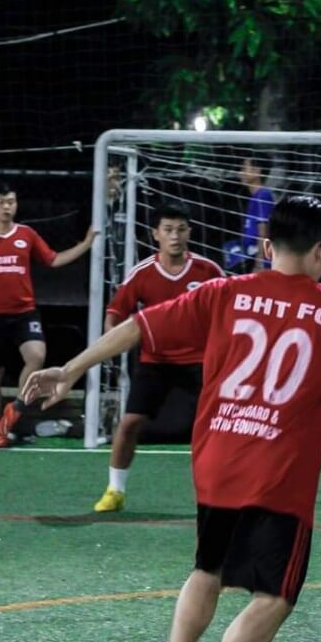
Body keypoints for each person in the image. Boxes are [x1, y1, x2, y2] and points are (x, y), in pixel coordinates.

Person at [22, 196, 321, 642]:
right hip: (277, 474)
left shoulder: (224, 292)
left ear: (266, 247)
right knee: (275, 596)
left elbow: (139, 327)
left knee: (208, 569)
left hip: (217, 461)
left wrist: (70, 368)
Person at [94, 201, 224, 512]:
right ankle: (115, 490)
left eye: (181, 229)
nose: (175, 236)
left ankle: (225, 491)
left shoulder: (208, 271)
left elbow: (231, 311)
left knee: (221, 427)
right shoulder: (142, 274)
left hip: (201, 362)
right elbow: (114, 317)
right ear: (156, 234)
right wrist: (115, 345)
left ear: (189, 232)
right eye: (168, 230)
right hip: (156, 362)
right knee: (129, 423)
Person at [0, 181, 97, 448]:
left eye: (11, 202)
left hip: (24, 312)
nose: (7, 207)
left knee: (36, 356)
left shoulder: (26, 234)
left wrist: (86, 243)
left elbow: (53, 259)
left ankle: (14, 413)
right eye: (2, 202)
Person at [240, 157, 275, 272]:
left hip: (260, 259)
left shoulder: (263, 195)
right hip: (251, 256)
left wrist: (259, 262)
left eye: (244, 168)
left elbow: (263, 231)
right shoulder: (254, 197)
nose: (241, 173)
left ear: (257, 171)